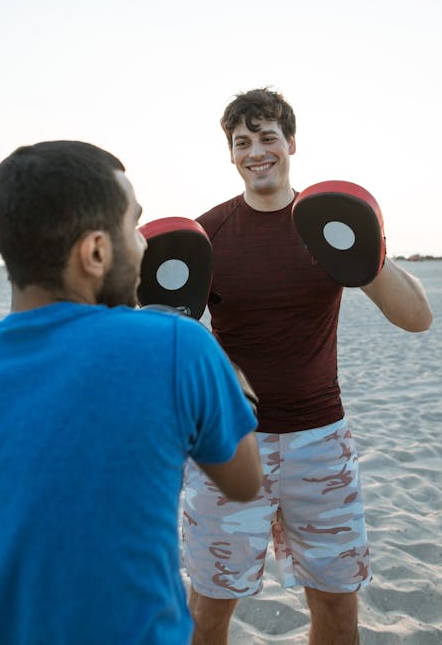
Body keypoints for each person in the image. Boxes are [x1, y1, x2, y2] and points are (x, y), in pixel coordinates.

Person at [0, 140, 263, 645]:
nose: (143, 244)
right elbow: (245, 481)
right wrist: (230, 379)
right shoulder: (179, 346)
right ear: (95, 252)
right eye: (133, 226)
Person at [181, 89, 433, 645]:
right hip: (229, 445)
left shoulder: (328, 224)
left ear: (291, 142)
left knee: (339, 611)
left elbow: (417, 319)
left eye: (267, 137)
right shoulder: (208, 235)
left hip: (321, 441)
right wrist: (220, 367)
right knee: (206, 612)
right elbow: (169, 330)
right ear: (230, 154)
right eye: (241, 142)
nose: (256, 152)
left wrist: (370, 254)